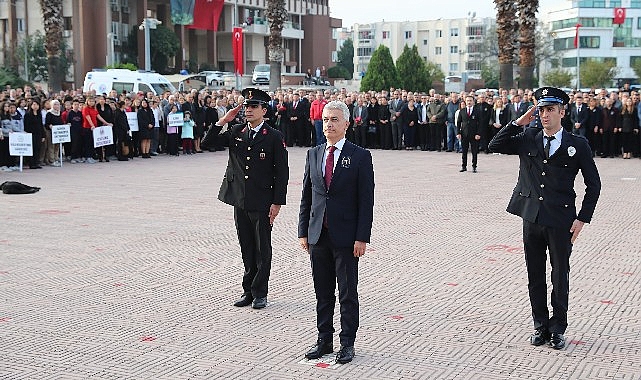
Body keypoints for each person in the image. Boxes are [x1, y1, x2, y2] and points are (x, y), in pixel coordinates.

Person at [488, 87, 601, 350]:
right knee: (535, 274)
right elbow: (494, 145)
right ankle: (540, 325)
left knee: (560, 274)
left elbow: (594, 185)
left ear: (562, 112)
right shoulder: (528, 136)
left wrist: (582, 219)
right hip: (531, 218)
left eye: (550, 109)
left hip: (561, 220)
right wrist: (518, 122)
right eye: (541, 109)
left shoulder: (577, 144)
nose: (544, 115)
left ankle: (558, 327)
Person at [298, 100, 374, 365]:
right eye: (325, 119)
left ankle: (347, 343)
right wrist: (303, 231)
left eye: (333, 120)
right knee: (322, 291)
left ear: (346, 124)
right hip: (318, 234)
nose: (328, 124)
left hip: (346, 237)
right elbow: (307, 195)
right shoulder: (314, 153)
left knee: (346, 292)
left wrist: (362, 237)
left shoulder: (360, 156)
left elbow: (366, 201)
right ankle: (324, 339)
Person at [214, 88, 289, 310]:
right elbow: (209, 143)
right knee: (246, 247)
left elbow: (281, 172)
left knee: (262, 249)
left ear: (264, 111)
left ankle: (260, 292)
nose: (248, 110)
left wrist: (277, 203)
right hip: (240, 199)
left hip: (262, 201)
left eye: (253, 106)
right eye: (246, 106)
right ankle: (248, 290)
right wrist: (223, 121)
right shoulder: (236, 130)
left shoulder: (274, 136)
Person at [457, 95, 481, 172]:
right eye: (467, 101)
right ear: (465, 101)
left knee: (474, 151)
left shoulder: (477, 111)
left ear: (473, 101)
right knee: (464, 151)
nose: (469, 102)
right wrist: (458, 133)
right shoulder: (462, 111)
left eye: (470, 100)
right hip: (464, 134)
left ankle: (474, 166)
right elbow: (458, 123)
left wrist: (478, 134)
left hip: (474, 134)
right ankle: (464, 166)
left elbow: (480, 123)